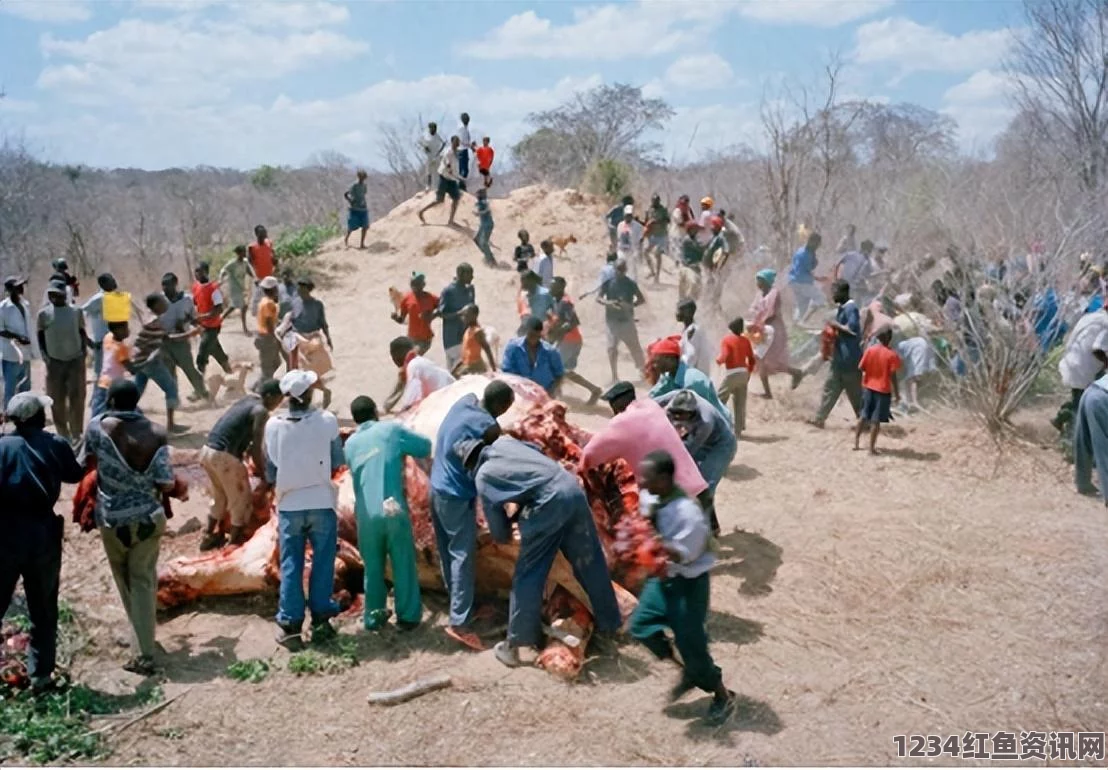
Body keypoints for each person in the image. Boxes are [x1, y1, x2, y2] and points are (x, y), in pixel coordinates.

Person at [458, 435, 622, 667]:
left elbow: (497, 526)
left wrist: (505, 532)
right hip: (570, 489)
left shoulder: (484, 476)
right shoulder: (505, 443)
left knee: (528, 574)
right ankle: (611, 624)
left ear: (470, 464)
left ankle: (515, 645)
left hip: (549, 503)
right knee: (590, 561)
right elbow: (535, 453)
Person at [629, 450, 736, 726]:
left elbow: (682, 554)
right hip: (664, 578)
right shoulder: (652, 496)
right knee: (641, 626)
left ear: (664, 479)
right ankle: (687, 670)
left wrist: (647, 543)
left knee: (693, 645)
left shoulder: (688, 514)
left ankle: (722, 695)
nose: (642, 482)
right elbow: (643, 517)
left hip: (688, 583)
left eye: (648, 478)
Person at [82, 379, 178, 675]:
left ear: (110, 402)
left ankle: (141, 646)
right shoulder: (158, 433)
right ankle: (144, 647)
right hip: (148, 519)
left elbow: (85, 461)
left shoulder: (98, 428)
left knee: (124, 580)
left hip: (113, 519)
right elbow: (166, 482)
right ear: (137, 401)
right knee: (144, 581)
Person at [0, 392, 83, 692]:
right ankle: (41, 677)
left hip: (5, 536)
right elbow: (76, 474)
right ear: (37, 417)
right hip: (42, 536)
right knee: (43, 608)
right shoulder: (55, 445)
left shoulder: (1, 447)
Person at [431, 381, 515, 650]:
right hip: (456, 495)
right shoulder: (489, 427)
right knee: (462, 555)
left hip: (436, 487)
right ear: (503, 406)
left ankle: (455, 602)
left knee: (447, 550)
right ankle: (460, 622)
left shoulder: (465, 401)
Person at [264, 369, 343, 649]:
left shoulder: (273, 426)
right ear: (309, 394)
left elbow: (271, 469)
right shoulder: (327, 420)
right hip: (321, 501)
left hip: (290, 504)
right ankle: (321, 619)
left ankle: (291, 625)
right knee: (323, 561)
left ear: (287, 397)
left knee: (291, 564)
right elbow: (337, 459)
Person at [343, 395, 430, 631]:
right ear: (375, 412)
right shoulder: (390, 430)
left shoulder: (350, 444)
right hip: (391, 508)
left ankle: (374, 617)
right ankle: (408, 617)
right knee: (402, 562)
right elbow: (424, 446)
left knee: (372, 568)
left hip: (365, 516)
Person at [580, 381, 709, 508]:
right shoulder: (651, 406)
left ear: (617, 406)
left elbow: (588, 456)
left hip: (674, 503)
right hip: (700, 490)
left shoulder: (621, 422)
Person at [198, 379, 284, 551]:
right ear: (269, 396)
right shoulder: (261, 411)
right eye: (278, 399)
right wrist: (264, 475)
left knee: (219, 496)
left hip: (207, 451)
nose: (278, 403)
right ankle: (233, 544)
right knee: (241, 501)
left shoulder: (246, 401)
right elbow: (256, 449)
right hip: (225, 456)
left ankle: (209, 535)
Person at [656, 389, 737, 534]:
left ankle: (703, 534)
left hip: (720, 445)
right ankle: (713, 526)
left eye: (683, 415)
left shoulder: (705, 421)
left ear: (693, 413)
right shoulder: (676, 396)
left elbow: (686, 453)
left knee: (703, 485)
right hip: (697, 438)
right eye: (675, 414)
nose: (678, 418)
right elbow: (650, 403)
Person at [134, 293, 196, 433]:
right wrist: (191, 334)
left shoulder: (150, 319)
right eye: (163, 301)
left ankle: (122, 420)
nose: (166, 302)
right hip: (151, 362)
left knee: (136, 392)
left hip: (140, 361)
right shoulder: (155, 322)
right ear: (157, 306)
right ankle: (171, 425)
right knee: (171, 389)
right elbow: (169, 339)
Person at [38, 282, 90, 441]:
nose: (56, 298)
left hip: (75, 360)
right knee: (56, 399)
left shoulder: (76, 311)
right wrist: (45, 357)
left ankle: (77, 434)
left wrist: (83, 353)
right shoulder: (44, 314)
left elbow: (82, 332)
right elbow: (40, 336)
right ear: (49, 296)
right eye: (53, 295)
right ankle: (63, 435)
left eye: (60, 295)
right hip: (54, 362)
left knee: (77, 398)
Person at [811, 280, 864, 429]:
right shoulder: (843, 308)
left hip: (850, 359)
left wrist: (835, 325)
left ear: (844, 293)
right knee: (830, 389)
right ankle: (819, 419)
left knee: (855, 394)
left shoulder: (851, 308)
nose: (832, 295)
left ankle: (865, 422)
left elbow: (853, 330)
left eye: (835, 292)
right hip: (840, 359)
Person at [750, 269, 803, 399]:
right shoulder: (759, 293)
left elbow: (771, 313)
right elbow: (753, 308)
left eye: (760, 280)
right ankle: (793, 374)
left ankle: (795, 373)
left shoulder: (774, 293)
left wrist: (758, 323)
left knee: (767, 360)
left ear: (767, 282)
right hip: (762, 329)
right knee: (763, 361)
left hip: (773, 330)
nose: (757, 283)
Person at [547, 277, 602, 403]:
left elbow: (573, 322)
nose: (550, 288)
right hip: (566, 341)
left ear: (560, 288)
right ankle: (594, 390)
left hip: (570, 341)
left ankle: (553, 397)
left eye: (553, 286)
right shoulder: (556, 301)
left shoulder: (565, 303)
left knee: (557, 369)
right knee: (565, 372)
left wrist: (559, 331)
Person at [648, 337, 729, 420]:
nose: (655, 366)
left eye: (657, 361)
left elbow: (702, 416)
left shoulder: (693, 381)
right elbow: (651, 399)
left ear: (671, 359)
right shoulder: (668, 377)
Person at [159, 272, 209, 403]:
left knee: (190, 370)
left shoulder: (186, 299)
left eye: (168, 286)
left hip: (181, 341)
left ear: (175, 284)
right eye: (163, 286)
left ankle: (203, 394)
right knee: (169, 374)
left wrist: (194, 325)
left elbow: (193, 318)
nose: (165, 289)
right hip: (164, 342)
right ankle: (173, 401)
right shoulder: (160, 300)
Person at [598, 258, 646, 383]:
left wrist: (629, 305)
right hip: (612, 321)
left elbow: (641, 299)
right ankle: (614, 376)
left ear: (625, 270)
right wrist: (609, 303)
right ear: (614, 270)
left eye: (622, 270)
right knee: (612, 348)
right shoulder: (608, 283)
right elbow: (599, 298)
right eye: (617, 270)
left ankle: (643, 371)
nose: (619, 272)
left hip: (627, 320)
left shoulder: (630, 284)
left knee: (634, 347)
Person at [855, 329, 901, 454]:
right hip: (883, 390)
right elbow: (893, 376)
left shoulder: (870, 350)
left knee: (863, 416)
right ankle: (871, 449)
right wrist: (897, 393)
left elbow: (861, 367)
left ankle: (856, 443)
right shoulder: (892, 355)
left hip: (868, 387)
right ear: (890, 338)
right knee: (876, 420)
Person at [386, 336, 455, 413]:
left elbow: (412, 401)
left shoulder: (413, 366)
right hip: (449, 396)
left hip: (447, 400)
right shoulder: (419, 362)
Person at [501, 316, 565, 395]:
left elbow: (559, 374)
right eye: (531, 335)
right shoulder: (513, 347)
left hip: (544, 394)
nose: (533, 338)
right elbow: (506, 370)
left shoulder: (550, 352)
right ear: (526, 331)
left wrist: (551, 392)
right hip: (518, 393)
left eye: (536, 336)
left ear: (540, 334)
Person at [191, 261, 233, 379]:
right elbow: (195, 303)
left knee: (202, 353)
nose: (196, 274)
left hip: (213, 327)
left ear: (206, 272)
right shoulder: (196, 286)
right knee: (215, 350)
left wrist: (201, 317)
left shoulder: (214, 289)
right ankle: (231, 375)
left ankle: (199, 388)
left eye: (199, 271)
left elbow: (218, 309)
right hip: (203, 326)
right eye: (196, 271)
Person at [1, 275, 37, 410]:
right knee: (10, 387)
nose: (22, 288)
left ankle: (24, 414)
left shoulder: (25, 304)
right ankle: (9, 414)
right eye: (18, 287)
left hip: (25, 352)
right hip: (11, 354)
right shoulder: (3, 307)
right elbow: (1, 330)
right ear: (11, 290)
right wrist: (17, 337)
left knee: (25, 386)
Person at [717, 317, 757, 436]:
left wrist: (718, 360)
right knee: (740, 402)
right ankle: (738, 430)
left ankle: (717, 424)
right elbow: (752, 359)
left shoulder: (727, 340)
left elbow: (725, 355)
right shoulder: (746, 341)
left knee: (719, 399)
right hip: (744, 373)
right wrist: (749, 373)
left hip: (732, 373)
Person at [437, 263, 477, 369]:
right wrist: (459, 313)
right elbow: (441, 314)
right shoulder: (448, 291)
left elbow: (473, 311)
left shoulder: (470, 290)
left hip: (467, 337)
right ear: (460, 274)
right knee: (458, 373)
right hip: (453, 339)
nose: (472, 277)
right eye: (469, 274)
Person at [81, 273, 118, 382]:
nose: (115, 282)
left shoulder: (114, 296)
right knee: (101, 375)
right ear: (103, 284)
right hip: (102, 341)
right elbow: (81, 313)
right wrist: (87, 339)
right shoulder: (99, 299)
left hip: (114, 341)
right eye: (112, 280)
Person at [418, 135, 462, 226]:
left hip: (452, 179)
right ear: (452, 142)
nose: (458, 143)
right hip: (444, 177)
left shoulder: (457, 153)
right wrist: (449, 168)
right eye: (456, 141)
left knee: (456, 198)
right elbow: (446, 161)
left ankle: (451, 220)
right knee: (439, 200)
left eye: (458, 141)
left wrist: (457, 176)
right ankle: (421, 212)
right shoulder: (448, 151)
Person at [391, 272, 438, 355]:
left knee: (413, 356)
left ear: (423, 285)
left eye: (416, 284)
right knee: (411, 360)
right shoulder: (407, 299)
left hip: (425, 339)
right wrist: (395, 318)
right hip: (411, 338)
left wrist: (431, 315)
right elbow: (402, 319)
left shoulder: (430, 298)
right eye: (412, 284)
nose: (414, 287)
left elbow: (443, 307)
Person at [218, 246, 257, 336]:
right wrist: (220, 279)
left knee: (234, 307)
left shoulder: (245, 262)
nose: (244, 254)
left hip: (241, 287)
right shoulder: (232, 264)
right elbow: (223, 271)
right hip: (234, 288)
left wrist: (255, 278)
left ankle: (219, 320)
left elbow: (248, 271)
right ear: (238, 253)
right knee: (242, 307)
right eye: (243, 252)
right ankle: (245, 329)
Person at [789, 233, 826, 324]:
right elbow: (808, 269)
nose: (818, 246)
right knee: (820, 298)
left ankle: (797, 322)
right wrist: (818, 278)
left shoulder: (800, 250)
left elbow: (800, 269)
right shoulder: (807, 254)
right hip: (803, 282)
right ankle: (804, 320)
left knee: (802, 304)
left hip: (794, 281)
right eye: (818, 243)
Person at [452, 305, 497, 376]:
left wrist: (494, 370)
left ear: (474, 316)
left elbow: (487, 349)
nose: (463, 318)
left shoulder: (477, 332)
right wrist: (457, 366)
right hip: (467, 365)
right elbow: (466, 352)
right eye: (462, 315)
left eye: (466, 315)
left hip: (475, 367)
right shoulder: (468, 330)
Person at [255, 276, 283, 382]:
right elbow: (269, 322)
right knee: (268, 369)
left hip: (264, 337)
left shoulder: (265, 301)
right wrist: (275, 338)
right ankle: (257, 390)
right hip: (268, 338)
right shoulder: (269, 304)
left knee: (275, 366)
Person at [835, 239, 875, 307]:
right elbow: (869, 275)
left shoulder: (851, 254)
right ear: (867, 250)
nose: (870, 253)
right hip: (852, 287)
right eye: (870, 251)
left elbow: (838, 263)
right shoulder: (865, 260)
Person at [677, 299, 712, 376]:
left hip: (695, 378)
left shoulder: (692, 330)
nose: (677, 313)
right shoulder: (688, 330)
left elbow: (691, 357)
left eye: (680, 310)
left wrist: (677, 368)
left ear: (688, 313)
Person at [248, 225, 277, 315]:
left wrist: (275, 263)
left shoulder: (269, 243)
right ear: (257, 234)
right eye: (262, 233)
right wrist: (254, 277)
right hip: (259, 278)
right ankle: (261, 321)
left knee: (273, 298)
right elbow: (249, 264)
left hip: (270, 276)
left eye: (265, 232)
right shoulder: (251, 247)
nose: (264, 234)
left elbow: (273, 257)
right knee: (258, 301)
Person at [642, 194, 670, 283]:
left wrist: (657, 221)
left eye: (656, 201)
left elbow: (668, 220)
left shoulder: (663, 210)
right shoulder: (649, 210)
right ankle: (652, 271)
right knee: (645, 252)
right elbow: (646, 223)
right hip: (652, 235)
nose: (655, 203)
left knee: (657, 253)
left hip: (661, 235)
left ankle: (657, 276)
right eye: (653, 201)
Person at [677, 223, 705, 302]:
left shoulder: (695, 239)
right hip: (688, 268)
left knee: (697, 289)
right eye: (695, 229)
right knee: (693, 284)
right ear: (690, 230)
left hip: (694, 268)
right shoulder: (688, 240)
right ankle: (686, 305)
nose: (697, 231)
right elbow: (700, 249)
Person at [616, 205, 643, 281]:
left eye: (629, 215)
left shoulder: (638, 227)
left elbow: (640, 240)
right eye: (626, 215)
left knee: (632, 270)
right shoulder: (620, 225)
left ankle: (633, 284)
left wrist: (640, 252)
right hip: (621, 250)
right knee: (621, 266)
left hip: (632, 251)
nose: (628, 217)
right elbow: (618, 239)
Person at [344, 169, 370, 249]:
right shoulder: (354, 185)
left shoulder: (364, 186)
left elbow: (364, 194)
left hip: (363, 208)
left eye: (364, 177)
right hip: (354, 209)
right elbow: (346, 194)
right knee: (351, 227)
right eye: (362, 177)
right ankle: (346, 239)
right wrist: (351, 201)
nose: (363, 179)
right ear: (359, 177)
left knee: (365, 226)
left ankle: (362, 244)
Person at [420, 121, 446, 192]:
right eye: (433, 128)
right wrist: (425, 147)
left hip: (436, 156)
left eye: (435, 128)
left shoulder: (438, 136)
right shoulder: (426, 135)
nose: (434, 130)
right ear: (430, 128)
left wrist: (439, 152)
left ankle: (439, 186)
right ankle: (428, 186)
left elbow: (444, 143)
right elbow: (421, 142)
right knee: (429, 171)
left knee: (438, 171)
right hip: (429, 156)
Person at [473, 188, 496, 267]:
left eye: (478, 194)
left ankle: (491, 260)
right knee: (476, 239)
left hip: (488, 224)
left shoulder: (484, 202)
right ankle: (488, 254)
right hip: (483, 225)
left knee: (483, 242)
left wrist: (478, 213)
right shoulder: (479, 202)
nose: (476, 195)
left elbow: (487, 209)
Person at [456, 112, 473, 185]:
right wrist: (470, 145)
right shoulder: (461, 129)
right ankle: (459, 185)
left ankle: (461, 185)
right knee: (462, 170)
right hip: (461, 150)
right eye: (465, 119)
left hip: (465, 150)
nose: (467, 120)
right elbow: (461, 141)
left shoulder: (466, 129)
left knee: (465, 170)